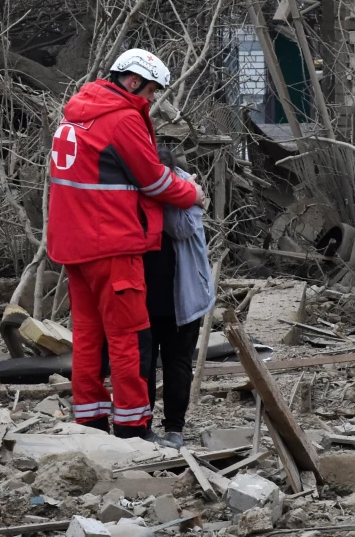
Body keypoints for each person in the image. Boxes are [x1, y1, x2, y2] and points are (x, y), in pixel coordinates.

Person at [46, 49, 203, 439]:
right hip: (111, 244)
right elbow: (155, 180)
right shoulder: (122, 118)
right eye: (151, 90)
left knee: (88, 337)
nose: (152, 99)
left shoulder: (77, 111)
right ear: (133, 81)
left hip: (72, 245)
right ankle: (133, 428)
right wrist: (193, 193)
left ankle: (91, 422)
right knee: (129, 337)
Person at [141, 146, 215, 448]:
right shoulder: (135, 185)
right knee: (143, 365)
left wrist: (183, 195)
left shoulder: (184, 185)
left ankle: (174, 428)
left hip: (182, 295)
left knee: (177, 363)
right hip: (144, 295)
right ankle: (143, 426)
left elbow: (181, 228)